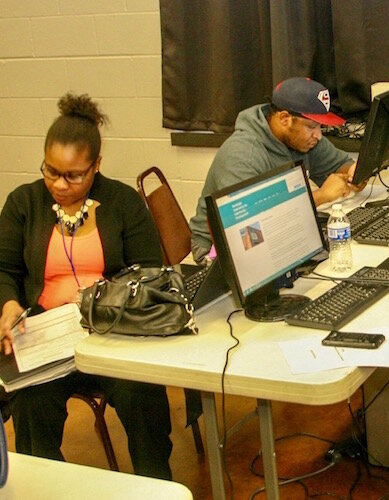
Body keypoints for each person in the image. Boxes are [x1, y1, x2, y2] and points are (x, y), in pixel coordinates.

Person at [0, 94, 173, 479]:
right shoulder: (23, 203)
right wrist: (9, 303)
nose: (59, 184)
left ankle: (155, 483)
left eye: (74, 175)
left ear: (96, 165)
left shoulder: (123, 203)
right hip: (45, 335)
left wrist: (109, 306)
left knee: (142, 396)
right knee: (31, 405)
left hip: (112, 329)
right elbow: (3, 269)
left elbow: (148, 270)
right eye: (51, 171)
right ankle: (47, 486)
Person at [189, 76, 362, 261]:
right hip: (221, 250)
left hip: (276, 234)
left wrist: (356, 174)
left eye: (320, 126)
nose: (318, 135)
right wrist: (321, 196)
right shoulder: (243, 155)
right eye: (312, 126)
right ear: (285, 118)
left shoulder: (302, 139)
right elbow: (249, 232)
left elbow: (343, 167)